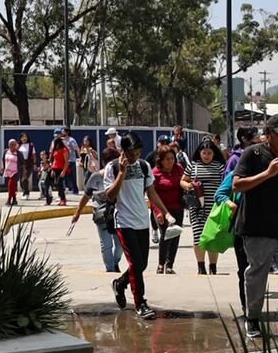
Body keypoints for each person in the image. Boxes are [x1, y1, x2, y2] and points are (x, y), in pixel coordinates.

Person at [232, 114, 278, 339]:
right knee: (257, 275)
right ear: (269, 134)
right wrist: (267, 173)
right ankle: (252, 317)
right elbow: (237, 185)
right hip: (257, 227)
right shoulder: (251, 154)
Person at [105, 132, 176, 320]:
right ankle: (140, 303)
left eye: (137, 152)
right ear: (123, 150)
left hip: (142, 222)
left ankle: (120, 283)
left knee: (142, 264)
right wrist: (121, 173)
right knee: (135, 263)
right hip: (124, 222)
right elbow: (110, 196)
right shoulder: (112, 168)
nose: (134, 155)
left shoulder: (144, 167)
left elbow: (151, 193)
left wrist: (164, 211)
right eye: (131, 152)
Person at [71, 167, 121, 272]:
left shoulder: (121, 175)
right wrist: (77, 212)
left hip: (118, 214)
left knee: (120, 244)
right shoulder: (96, 177)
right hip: (101, 214)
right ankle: (110, 269)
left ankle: (115, 262)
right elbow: (86, 196)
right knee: (106, 245)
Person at [187, 138, 226, 275]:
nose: (207, 155)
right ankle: (201, 266)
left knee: (212, 237)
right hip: (197, 207)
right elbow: (183, 181)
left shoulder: (219, 167)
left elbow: (226, 183)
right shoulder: (193, 166)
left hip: (214, 208)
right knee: (198, 237)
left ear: (214, 153)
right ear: (200, 153)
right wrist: (189, 185)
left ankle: (213, 266)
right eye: (204, 153)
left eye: (209, 153)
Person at [152, 146, 190, 274]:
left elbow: (185, 183)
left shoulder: (179, 169)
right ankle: (161, 264)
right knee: (165, 235)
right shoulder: (155, 173)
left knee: (175, 235)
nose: (170, 161)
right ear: (160, 160)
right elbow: (152, 195)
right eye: (167, 159)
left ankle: (170, 265)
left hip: (177, 208)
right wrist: (157, 212)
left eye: (172, 158)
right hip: (162, 210)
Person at [215, 169, 247, 315]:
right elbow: (219, 194)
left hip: (267, 230)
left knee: (260, 272)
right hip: (242, 229)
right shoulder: (238, 171)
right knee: (244, 270)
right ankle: (247, 309)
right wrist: (230, 204)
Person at [49, 137, 70, 206]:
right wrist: (52, 170)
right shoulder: (55, 150)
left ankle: (63, 199)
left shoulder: (64, 150)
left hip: (62, 169)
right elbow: (54, 160)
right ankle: (61, 198)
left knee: (59, 183)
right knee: (57, 184)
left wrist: (64, 171)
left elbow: (66, 161)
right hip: (55, 169)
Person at [1, 138, 20, 207]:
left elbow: (22, 163)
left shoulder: (18, 153)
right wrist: (2, 167)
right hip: (7, 171)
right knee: (12, 187)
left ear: (16, 145)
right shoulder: (6, 151)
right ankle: (14, 199)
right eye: (11, 144)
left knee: (10, 185)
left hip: (15, 172)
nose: (12, 146)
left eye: (14, 144)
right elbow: (3, 159)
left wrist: (24, 171)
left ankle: (9, 199)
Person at [60, 126, 80, 193]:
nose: (62, 132)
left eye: (63, 131)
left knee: (72, 176)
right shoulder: (61, 140)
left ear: (67, 132)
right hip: (63, 161)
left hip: (71, 160)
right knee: (64, 176)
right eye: (62, 131)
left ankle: (75, 190)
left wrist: (80, 157)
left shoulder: (71, 140)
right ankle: (67, 189)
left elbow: (76, 148)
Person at [18, 132, 35, 199]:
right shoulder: (18, 145)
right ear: (21, 138)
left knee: (24, 179)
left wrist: (34, 164)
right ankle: (25, 192)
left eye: (25, 137)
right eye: (22, 137)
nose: (24, 138)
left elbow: (33, 155)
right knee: (20, 180)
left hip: (28, 163)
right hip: (20, 164)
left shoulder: (30, 145)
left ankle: (27, 193)